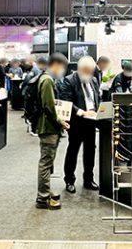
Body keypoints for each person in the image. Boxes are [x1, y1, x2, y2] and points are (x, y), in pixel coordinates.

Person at [58, 55, 101, 193]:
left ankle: (88, 179)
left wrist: (98, 111)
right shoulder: (69, 80)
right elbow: (66, 102)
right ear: (79, 69)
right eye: (86, 71)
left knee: (90, 151)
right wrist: (82, 112)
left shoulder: (94, 80)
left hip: (91, 122)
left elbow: (96, 98)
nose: (88, 74)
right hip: (76, 122)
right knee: (73, 150)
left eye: (91, 71)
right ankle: (69, 180)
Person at [36, 53, 70, 210]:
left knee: (47, 161)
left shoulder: (46, 78)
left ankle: (45, 191)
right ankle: (42, 197)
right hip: (48, 127)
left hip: (48, 126)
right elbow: (49, 107)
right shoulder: (47, 80)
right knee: (46, 162)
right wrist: (61, 121)